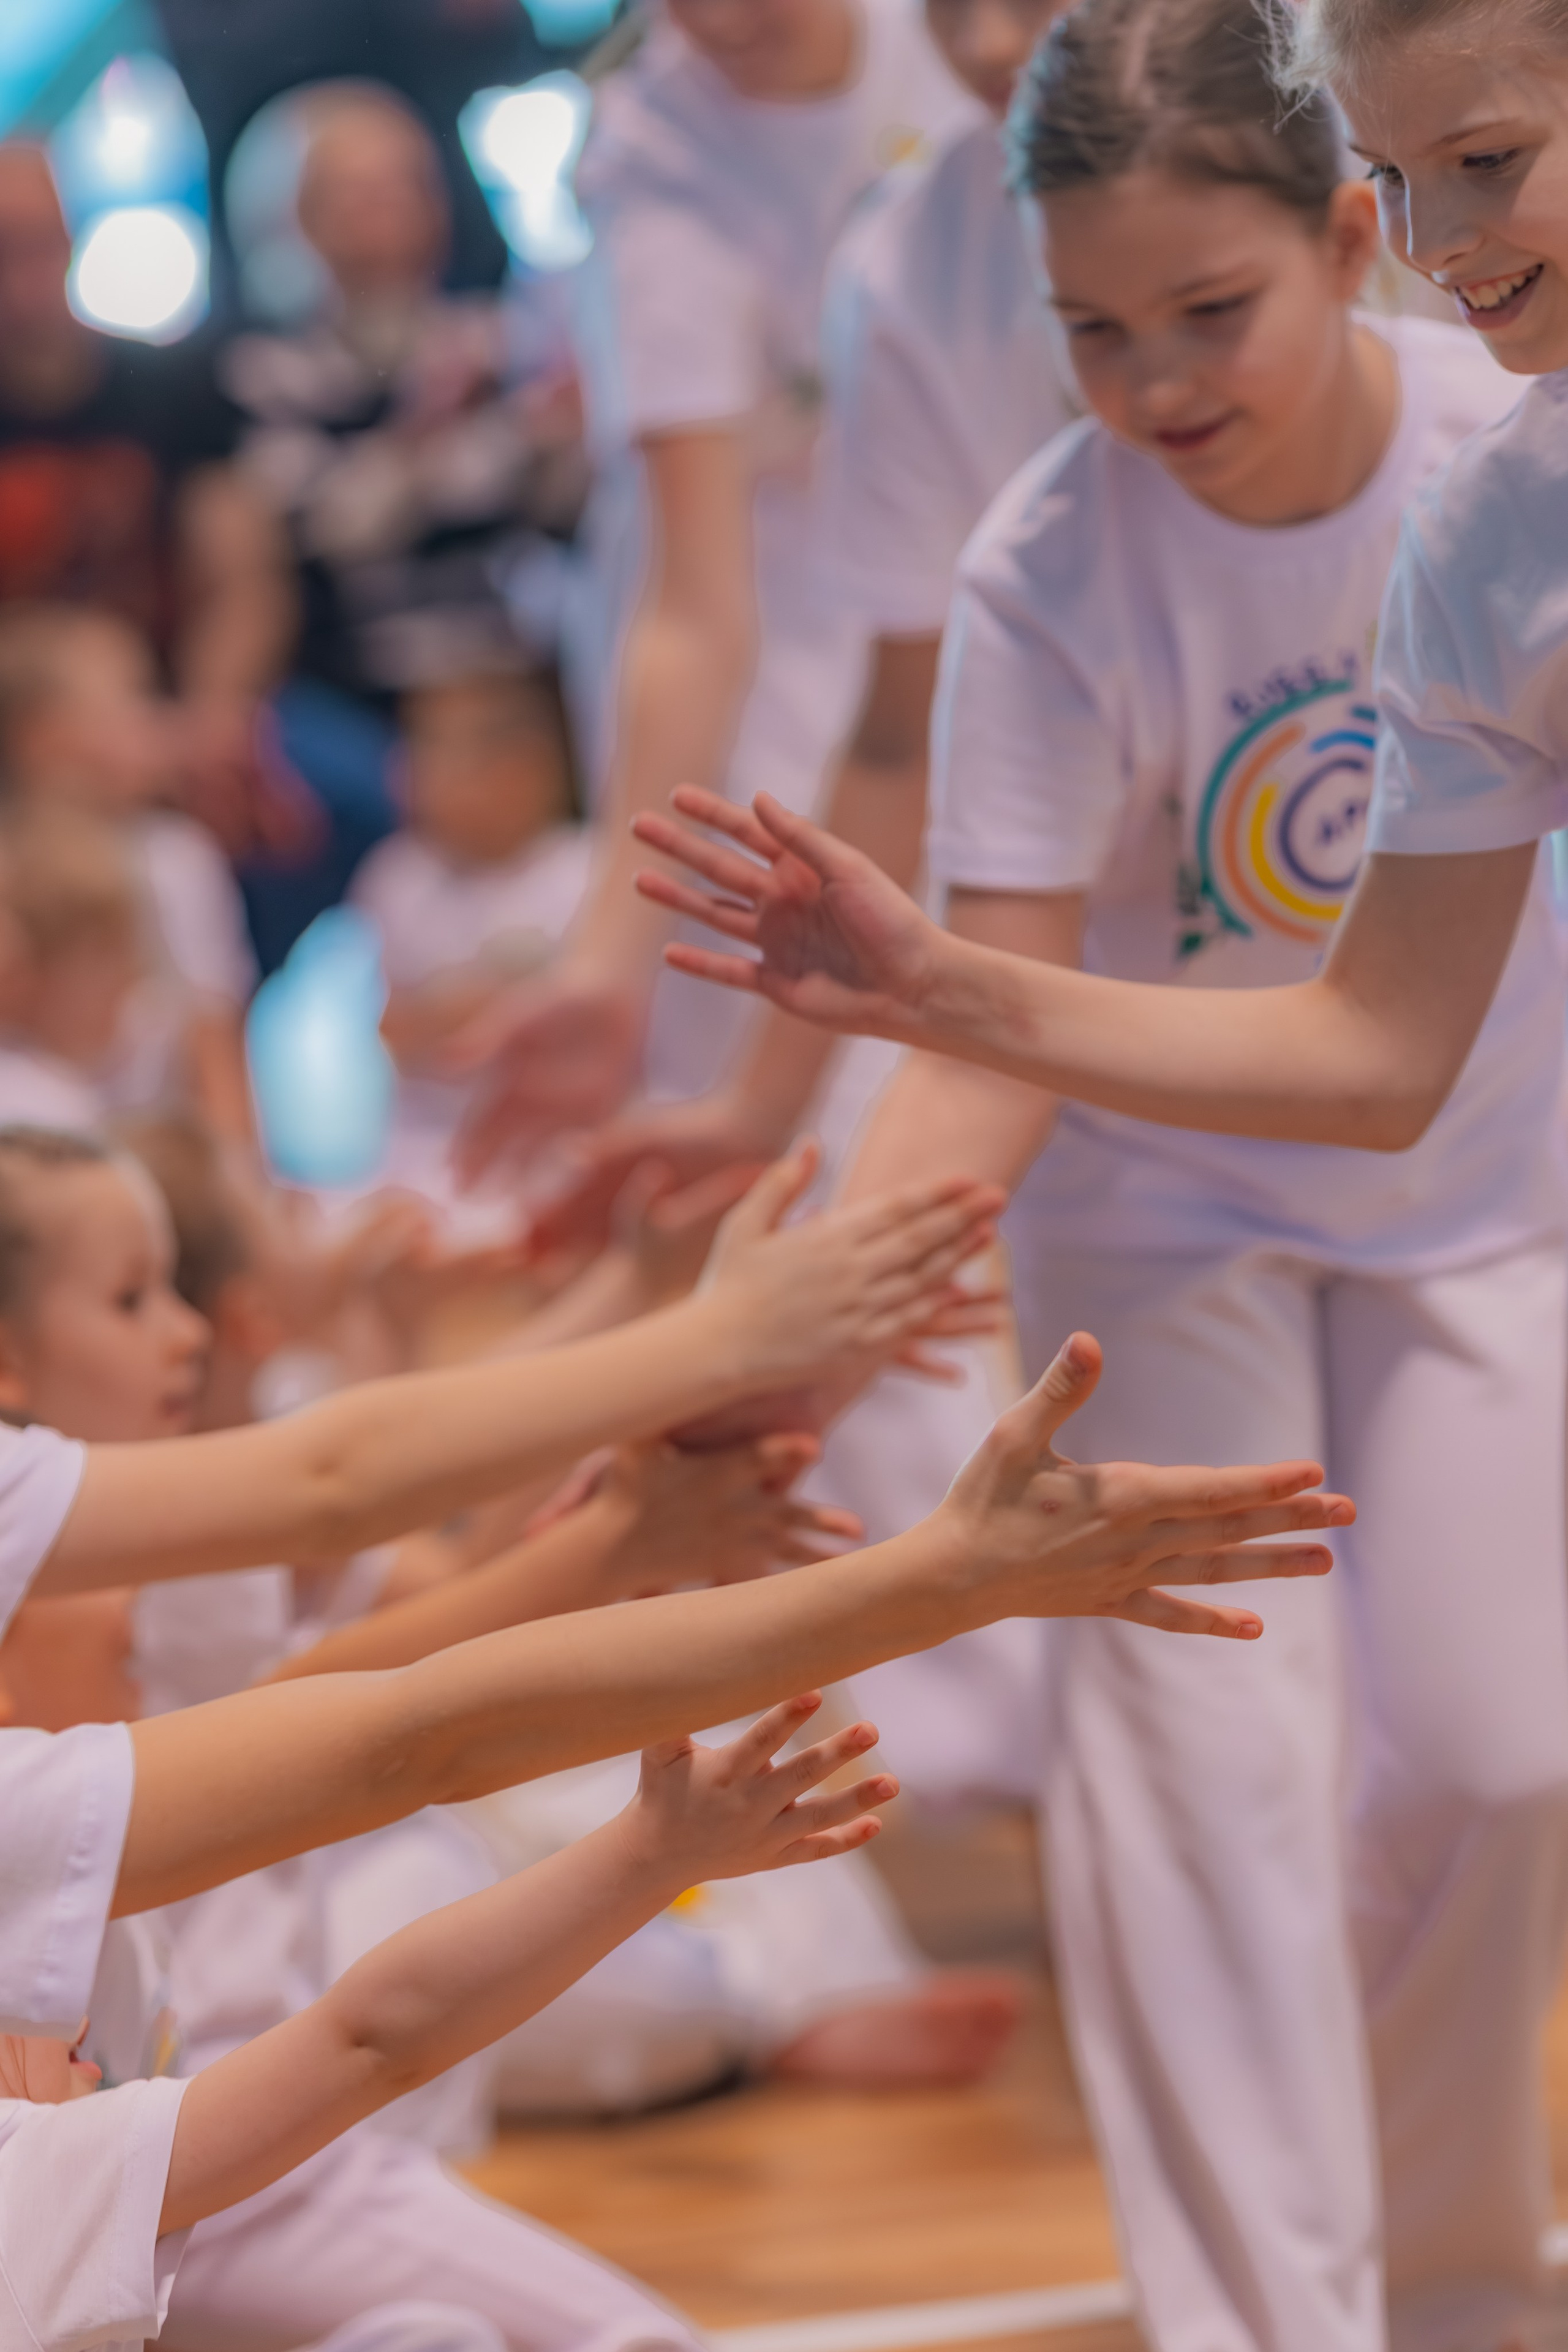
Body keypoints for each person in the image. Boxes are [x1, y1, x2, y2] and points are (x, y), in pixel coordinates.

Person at [632, 2, 1568, 2345]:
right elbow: (985, 1023)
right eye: (1087, 333)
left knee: (1497, 1750)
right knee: (1200, 1810)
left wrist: (929, 1001)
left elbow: (1365, 1050)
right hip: (1154, 1224)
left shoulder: (1487, 461)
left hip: (1479, 1175)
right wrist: (819, 1312)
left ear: (1342, 243)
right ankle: (1268, 2319)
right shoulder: (1044, 570)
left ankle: (1449, 2280)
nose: (1151, 381)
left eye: (1207, 313)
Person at [540, 0, 1077, 1221]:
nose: (717, 18)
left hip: (996, 609)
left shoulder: (960, 55)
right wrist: (606, 957)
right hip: (805, 656)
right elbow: (696, 613)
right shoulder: (663, 162)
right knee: (829, 1100)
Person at [0, 1686, 889, 2352]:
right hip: (252, 2185)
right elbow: (376, 2035)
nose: (74, 2023)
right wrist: (645, 1858)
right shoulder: (32, 2175)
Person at [222, 83, 588, 965]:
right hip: (364, 702)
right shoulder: (267, 372)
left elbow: (555, 518)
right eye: (353, 193)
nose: (384, 217)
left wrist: (572, 438)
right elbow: (322, 533)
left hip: (512, 680)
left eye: (402, 187)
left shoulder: (497, 341)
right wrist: (420, 439)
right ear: (294, 218)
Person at [0, 142, 305, 871]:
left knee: (324, 804)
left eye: (32, 242)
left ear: (71, 238)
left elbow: (247, 580)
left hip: (180, 703)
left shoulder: (172, 387)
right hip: (29, 721)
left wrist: (212, 715)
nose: (19, 273)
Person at [0, 603, 259, 1139]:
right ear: (42, 737)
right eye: (131, 702)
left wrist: (241, 1195)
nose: (159, 723)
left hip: (151, 1153)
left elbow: (212, 1051)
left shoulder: (176, 860)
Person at [349, 664, 592, 1213]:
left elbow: (579, 1030)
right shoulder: (398, 876)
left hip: (556, 1151)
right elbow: (392, 1030)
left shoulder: (583, 872)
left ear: (524, 771)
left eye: (437, 755)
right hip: (422, 1155)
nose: (408, 777)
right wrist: (501, 999)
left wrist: (458, 1013)